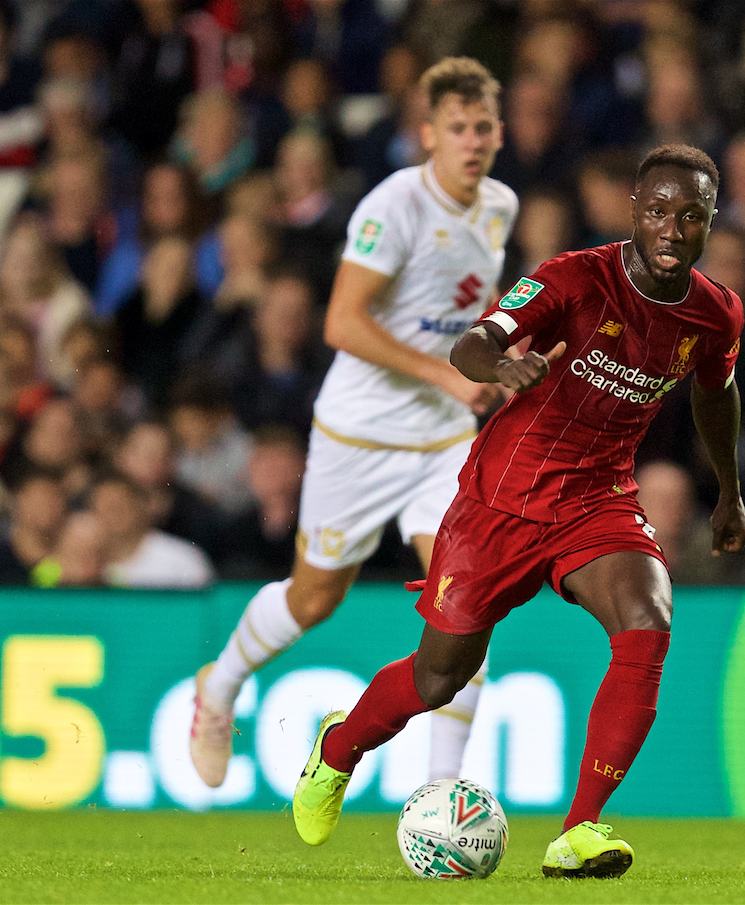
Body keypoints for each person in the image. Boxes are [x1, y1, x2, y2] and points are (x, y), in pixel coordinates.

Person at [290, 144, 745, 880]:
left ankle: (580, 829)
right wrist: (502, 365)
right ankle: (338, 747)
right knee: (438, 678)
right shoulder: (573, 277)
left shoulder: (714, 312)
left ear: (709, 223)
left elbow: (713, 392)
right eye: (658, 210)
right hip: (500, 500)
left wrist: (729, 489)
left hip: (597, 497)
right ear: (634, 209)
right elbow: (477, 341)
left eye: (690, 215)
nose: (672, 228)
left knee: (648, 620)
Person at [188, 58, 516, 791]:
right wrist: (445, 373)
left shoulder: (498, 205)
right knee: (315, 597)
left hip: (443, 442)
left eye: (483, 127)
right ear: (428, 134)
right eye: (457, 128)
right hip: (360, 434)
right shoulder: (391, 207)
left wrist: (505, 342)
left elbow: (474, 294)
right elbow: (340, 321)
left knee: (464, 601)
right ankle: (219, 686)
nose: (471, 140)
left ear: (499, 133)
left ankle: (440, 793)